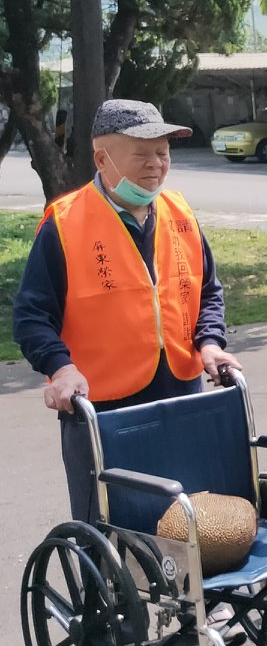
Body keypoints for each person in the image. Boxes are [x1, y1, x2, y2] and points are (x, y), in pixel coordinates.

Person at [15, 98, 244, 522]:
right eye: (141, 154)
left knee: (187, 518)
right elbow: (31, 316)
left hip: (179, 391)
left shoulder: (180, 213)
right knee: (112, 522)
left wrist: (210, 342)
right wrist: (61, 369)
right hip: (102, 405)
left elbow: (206, 289)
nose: (155, 164)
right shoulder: (65, 225)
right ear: (103, 159)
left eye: (163, 152)